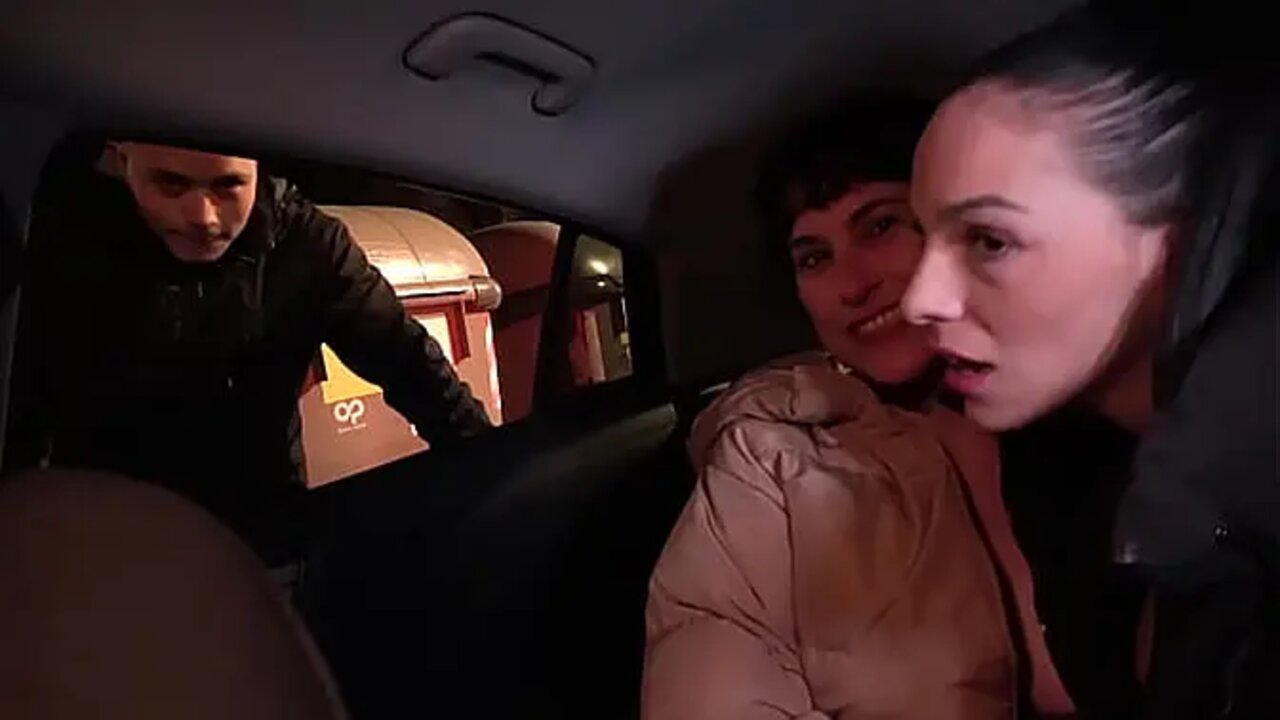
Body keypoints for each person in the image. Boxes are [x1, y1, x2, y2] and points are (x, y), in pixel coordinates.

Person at [643, 96, 1074, 720]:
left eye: (879, 226)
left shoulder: (1079, 389)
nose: (854, 282)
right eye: (814, 258)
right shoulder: (769, 455)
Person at [903, 4, 1279, 717]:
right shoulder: (1070, 467)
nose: (918, 299)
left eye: (989, 240)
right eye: (925, 236)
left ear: (1181, 235)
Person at [4, 139, 492, 565]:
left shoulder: (305, 244)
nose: (202, 215)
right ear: (120, 160)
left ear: (258, 170)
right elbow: (18, 400)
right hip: (103, 540)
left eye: (227, 186)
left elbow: (407, 361)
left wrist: (494, 477)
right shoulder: (62, 243)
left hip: (257, 541)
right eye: (171, 184)